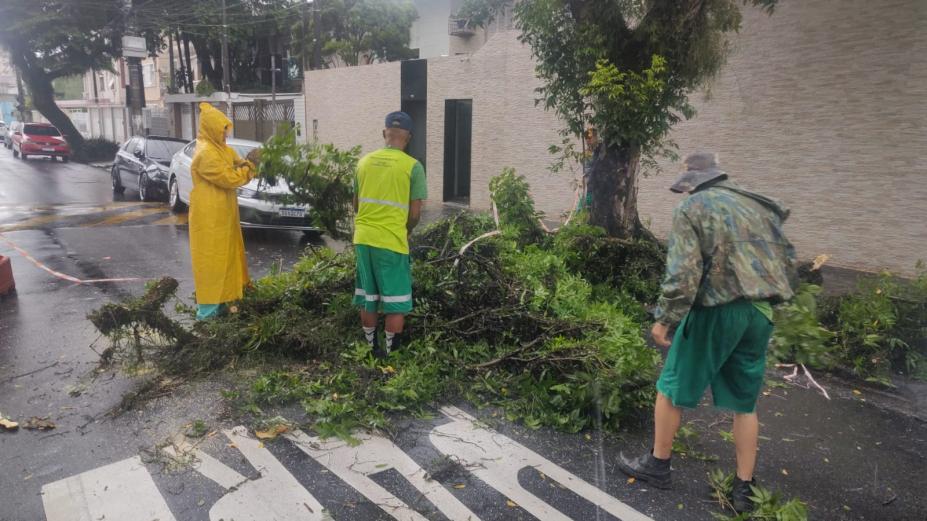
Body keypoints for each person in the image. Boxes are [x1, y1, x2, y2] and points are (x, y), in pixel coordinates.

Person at [618, 152, 798, 514]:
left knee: (671, 387)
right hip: (759, 312)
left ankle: (657, 464)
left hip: (716, 312)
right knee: (744, 403)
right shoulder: (756, 204)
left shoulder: (694, 208)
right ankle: (745, 488)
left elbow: (683, 272)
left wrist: (664, 318)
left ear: (692, 180)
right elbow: (786, 258)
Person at [353, 111, 427, 358]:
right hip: (392, 242)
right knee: (396, 302)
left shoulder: (363, 163)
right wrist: (406, 231)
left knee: (368, 297)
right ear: (408, 138)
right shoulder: (412, 167)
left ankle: (370, 349)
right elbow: (415, 213)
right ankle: (390, 355)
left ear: (385, 133)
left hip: (363, 239)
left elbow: (355, 205)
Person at [189, 102, 261, 320]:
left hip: (223, 214)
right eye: (222, 130)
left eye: (226, 130)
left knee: (228, 257)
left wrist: (249, 160)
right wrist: (250, 167)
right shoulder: (205, 154)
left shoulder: (221, 149)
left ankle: (225, 303)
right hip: (209, 217)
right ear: (211, 129)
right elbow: (229, 178)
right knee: (212, 261)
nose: (225, 135)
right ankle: (208, 312)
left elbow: (237, 161)